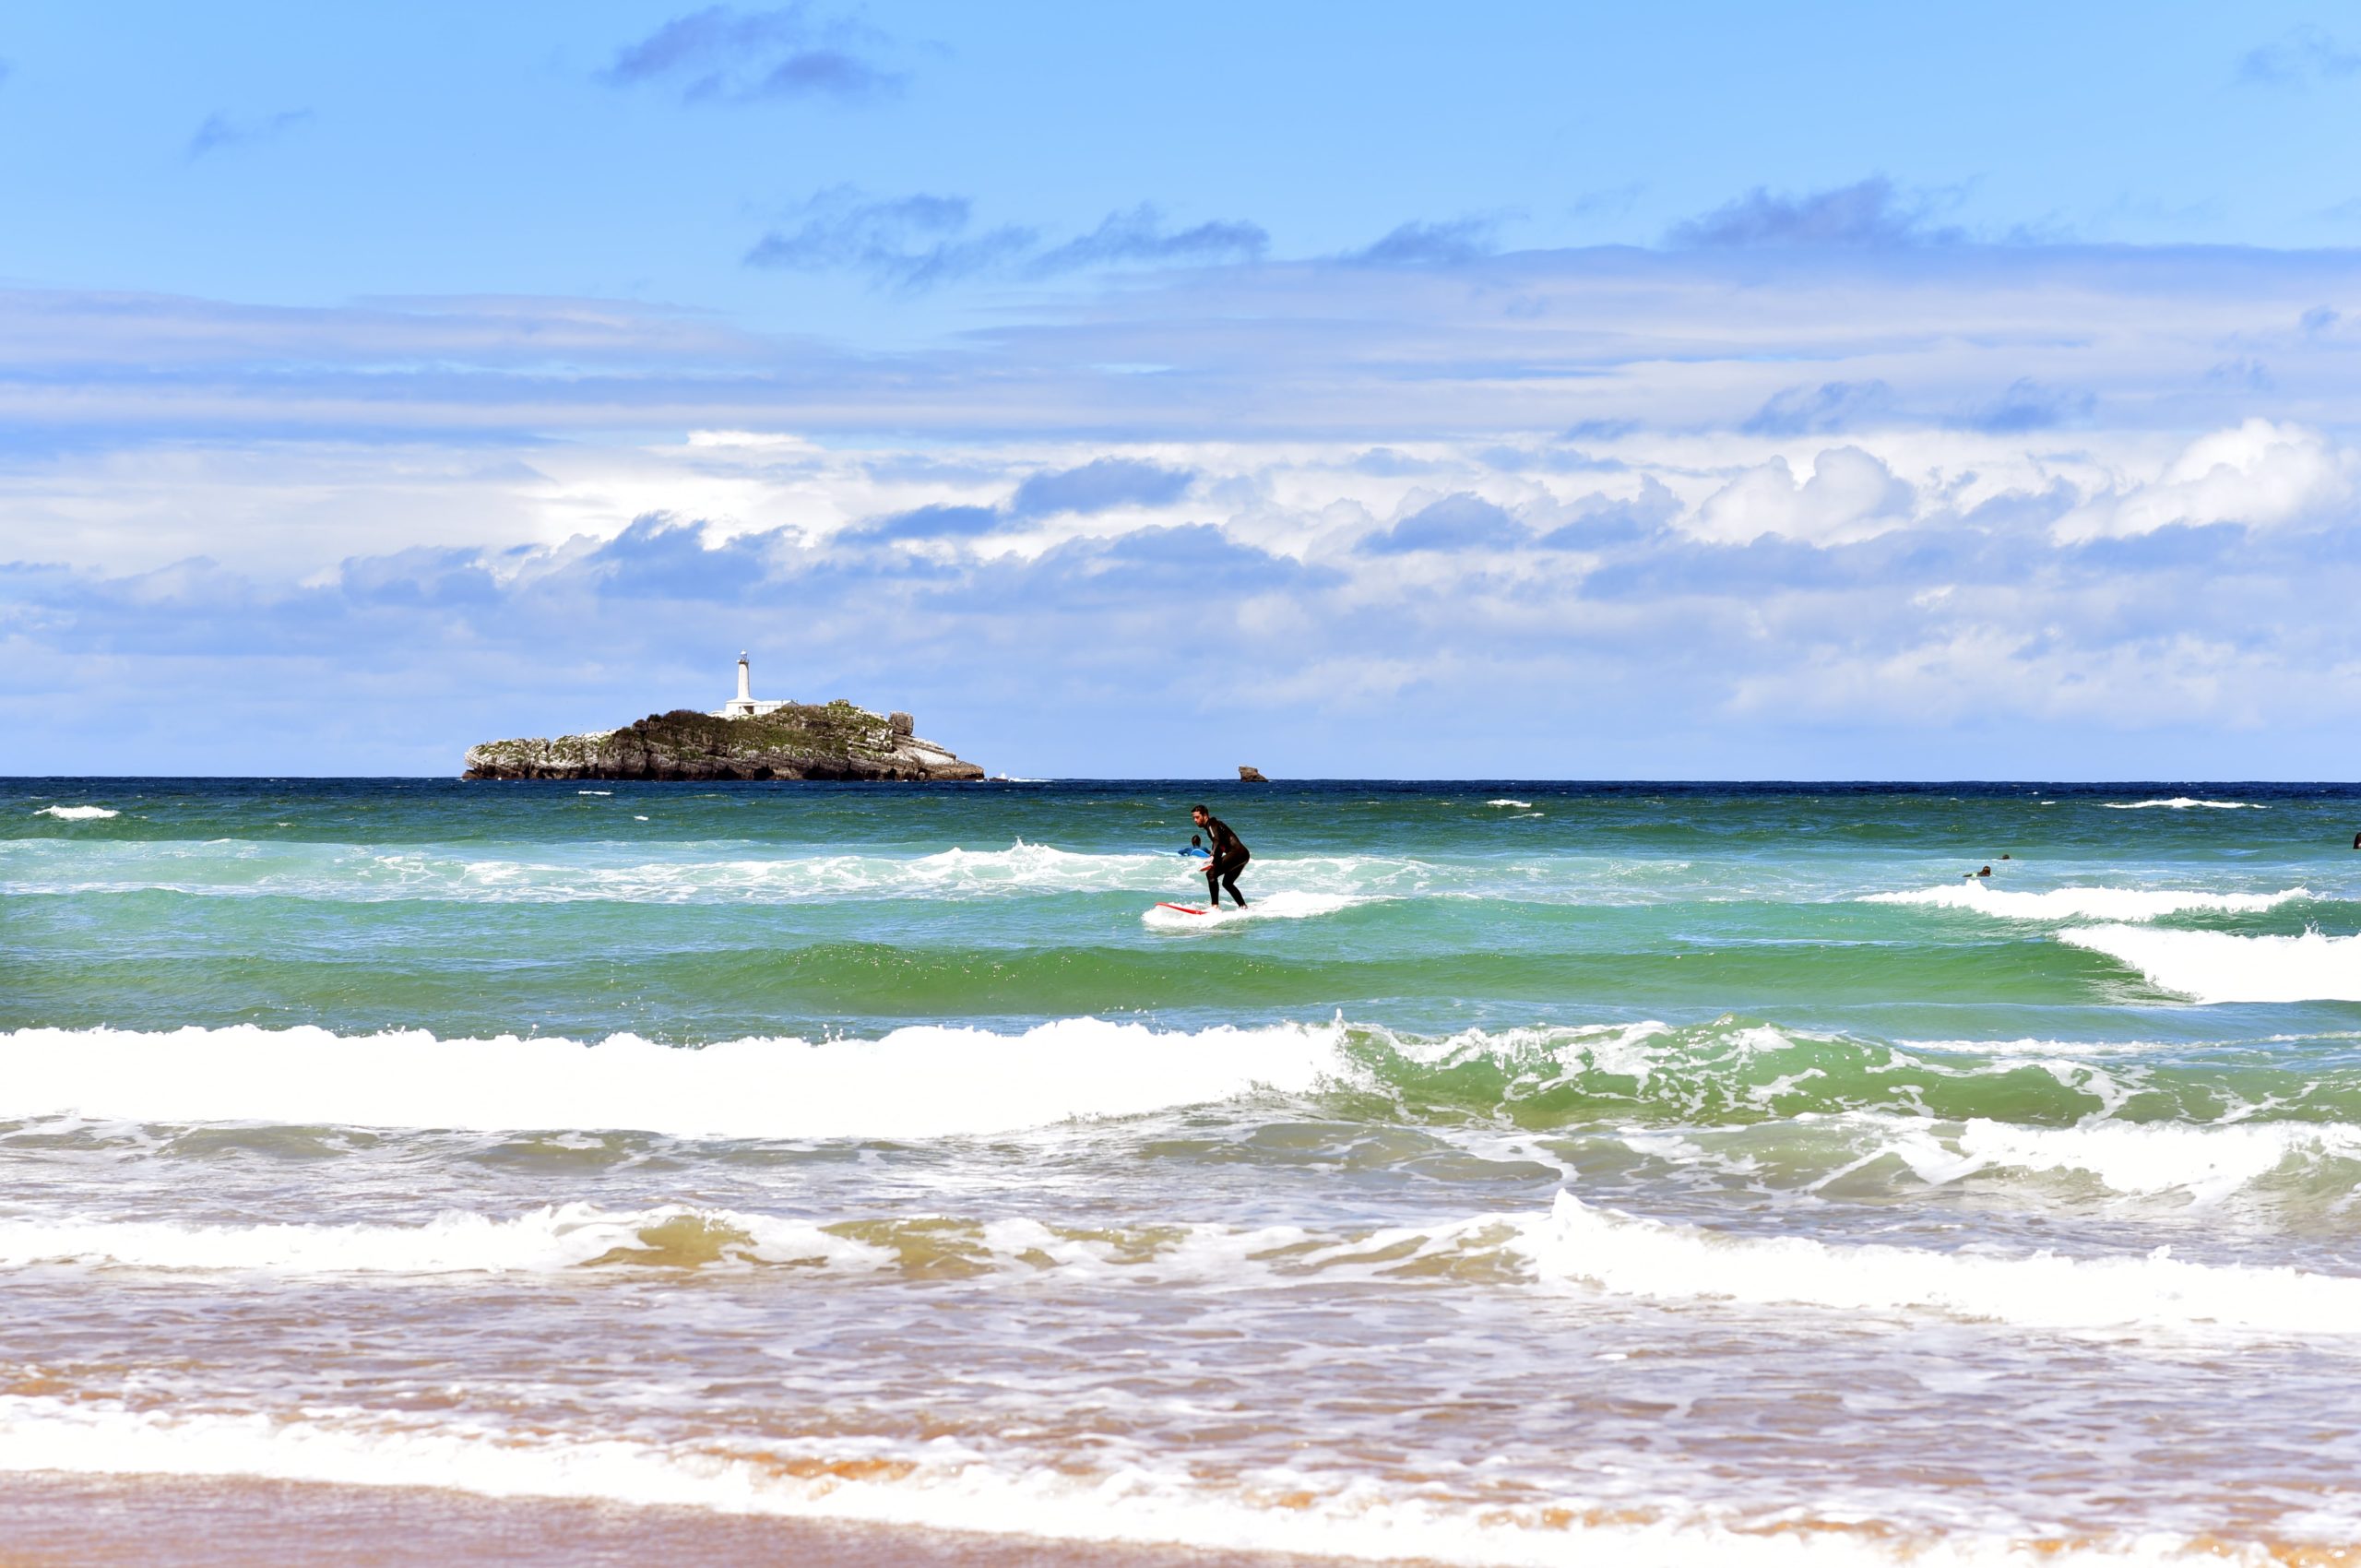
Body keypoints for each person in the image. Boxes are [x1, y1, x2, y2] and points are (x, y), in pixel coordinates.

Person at [1190, 804, 1249, 908]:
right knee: (1227, 883)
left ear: (1205, 816)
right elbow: (1220, 845)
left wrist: (1212, 857)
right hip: (1243, 854)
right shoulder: (1215, 825)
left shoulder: (1211, 825)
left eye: (1197, 817)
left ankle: (1214, 907)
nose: (1195, 820)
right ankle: (1243, 907)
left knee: (1211, 874)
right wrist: (1214, 861)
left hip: (1236, 853)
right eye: (1193, 818)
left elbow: (1216, 840)